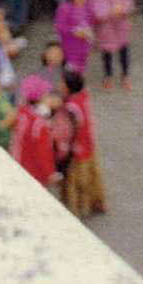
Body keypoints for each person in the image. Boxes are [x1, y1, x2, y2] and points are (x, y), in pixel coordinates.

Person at [58, 69, 107, 217]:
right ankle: (97, 201)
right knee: (92, 174)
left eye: (62, 83)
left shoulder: (70, 107)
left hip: (77, 149)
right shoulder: (83, 97)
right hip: (88, 143)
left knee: (76, 180)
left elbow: (67, 131)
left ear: (68, 87)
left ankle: (78, 207)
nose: (59, 85)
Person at [89, 0, 135, 90]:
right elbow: (95, 13)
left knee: (124, 52)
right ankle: (108, 76)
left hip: (121, 27)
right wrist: (110, 12)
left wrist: (124, 9)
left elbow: (129, 1)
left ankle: (125, 76)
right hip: (105, 31)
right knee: (107, 54)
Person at [11, 75, 60, 189]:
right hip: (34, 171)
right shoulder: (40, 124)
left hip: (18, 161)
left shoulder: (22, 112)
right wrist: (50, 173)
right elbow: (43, 152)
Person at [54, 0, 96, 73]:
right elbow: (59, 27)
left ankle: (79, 80)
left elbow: (91, 23)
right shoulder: (64, 7)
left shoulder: (89, 8)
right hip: (69, 46)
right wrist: (73, 31)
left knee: (82, 67)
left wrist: (89, 35)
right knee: (70, 71)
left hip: (84, 45)